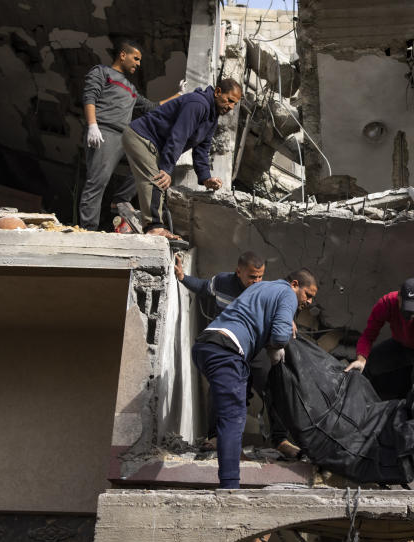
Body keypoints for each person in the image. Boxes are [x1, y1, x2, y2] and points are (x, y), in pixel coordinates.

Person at [191, 268, 318, 489]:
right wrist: (278, 341)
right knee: (234, 417)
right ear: (295, 284)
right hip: (226, 349)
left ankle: (232, 456)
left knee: (240, 390)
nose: (309, 302)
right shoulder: (288, 293)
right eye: (308, 295)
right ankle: (230, 487)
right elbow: (279, 335)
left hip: (207, 345)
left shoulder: (262, 286)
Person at [175, 251, 300, 458]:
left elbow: (279, 309)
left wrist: (288, 319)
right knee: (220, 388)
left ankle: (280, 439)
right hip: (227, 344)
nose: (257, 281)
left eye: (260, 276)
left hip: (254, 346)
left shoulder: (263, 288)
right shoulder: (223, 282)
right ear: (238, 272)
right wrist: (183, 278)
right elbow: (205, 288)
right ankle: (215, 437)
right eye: (252, 277)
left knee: (274, 385)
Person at [78, 40, 182, 231]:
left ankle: (120, 199)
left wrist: (179, 95)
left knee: (149, 165)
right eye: (136, 58)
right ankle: (88, 230)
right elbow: (89, 96)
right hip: (104, 132)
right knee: (97, 182)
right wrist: (93, 125)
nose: (139, 63)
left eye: (140, 60)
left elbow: (152, 107)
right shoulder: (102, 72)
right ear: (123, 55)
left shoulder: (131, 88)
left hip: (126, 136)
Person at [122, 78, 242, 238]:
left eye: (235, 104)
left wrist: (206, 178)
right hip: (141, 136)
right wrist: (166, 168)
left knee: (160, 188)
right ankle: (153, 227)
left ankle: (153, 224)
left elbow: (202, 149)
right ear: (218, 92)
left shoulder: (212, 116)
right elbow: (178, 136)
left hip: (154, 145)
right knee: (156, 180)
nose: (231, 107)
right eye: (230, 100)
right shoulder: (198, 104)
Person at [345, 278, 414, 399]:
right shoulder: (386, 303)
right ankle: (350, 404)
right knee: (365, 366)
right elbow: (368, 335)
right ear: (399, 296)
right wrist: (361, 359)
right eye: (406, 308)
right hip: (402, 342)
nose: (409, 315)